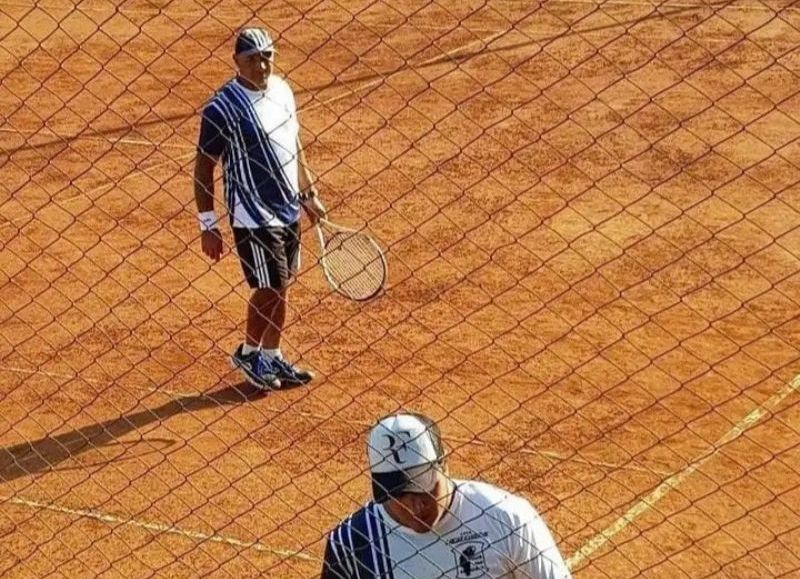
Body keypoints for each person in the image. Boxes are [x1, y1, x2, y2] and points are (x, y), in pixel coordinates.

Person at [194, 27, 327, 389]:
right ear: (236, 61)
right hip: (252, 215)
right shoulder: (223, 107)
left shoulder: (282, 91)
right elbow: (204, 165)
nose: (261, 64)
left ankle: (272, 356)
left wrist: (308, 192)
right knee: (269, 287)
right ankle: (249, 352)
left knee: (281, 285)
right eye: (252, 58)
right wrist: (208, 223)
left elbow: (293, 142)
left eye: (267, 55)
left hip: (287, 208)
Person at [321, 412, 572, 578]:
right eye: (398, 494)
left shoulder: (507, 518)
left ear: (445, 465)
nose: (415, 506)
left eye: (424, 487)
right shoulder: (352, 542)